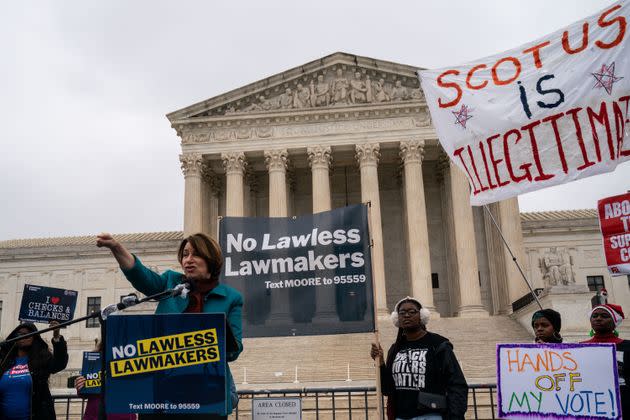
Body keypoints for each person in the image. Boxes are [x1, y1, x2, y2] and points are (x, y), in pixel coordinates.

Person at [97, 232, 243, 420]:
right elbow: (142, 277)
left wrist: (216, 338)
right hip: (160, 392)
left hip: (206, 395)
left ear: (211, 259)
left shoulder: (231, 298)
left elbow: (234, 350)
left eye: (195, 254)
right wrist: (116, 248)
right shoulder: (171, 283)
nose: (188, 260)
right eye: (185, 254)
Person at [370, 297, 468, 420]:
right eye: (402, 313)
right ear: (397, 319)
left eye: (412, 312)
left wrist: (455, 416)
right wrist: (381, 363)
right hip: (401, 417)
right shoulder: (395, 349)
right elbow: (387, 389)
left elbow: (456, 383)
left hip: (432, 415)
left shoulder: (438, 344)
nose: (406, 315)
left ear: (421, 316)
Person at [0, 321, 68, 420]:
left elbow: (59, 363)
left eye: (27, 334)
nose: (23, 336)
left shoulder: (41, 360)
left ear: (34, 338)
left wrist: (56, 336)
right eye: (19, 334)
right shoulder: (4, 361)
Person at [581, 304, 629, 418]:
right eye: (595, 316)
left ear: (614, 321)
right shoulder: (579, 347)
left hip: (623, 405)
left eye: (604, 316)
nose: (598, 318)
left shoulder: (627, 346)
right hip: (590, 405)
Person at [74, 341, 136, 420]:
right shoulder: (93, 360)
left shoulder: (132, 360)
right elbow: (84, 393)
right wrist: (80, 385)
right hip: (95, 415)